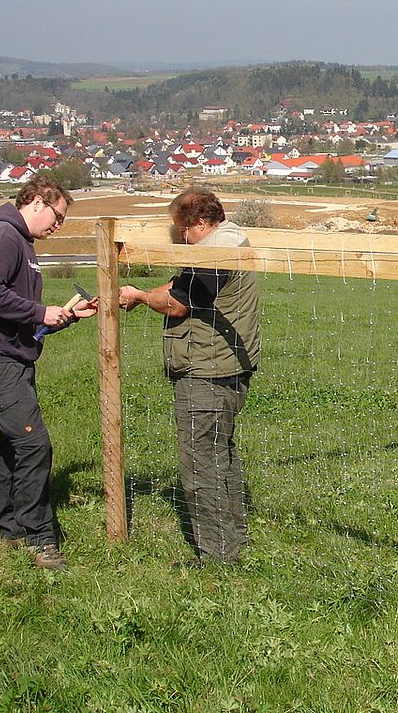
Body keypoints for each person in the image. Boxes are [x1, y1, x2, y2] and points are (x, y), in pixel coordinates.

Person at [0, 174, 97, 570]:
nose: (58, 226)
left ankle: (10, 529)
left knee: (13, 445)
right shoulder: (3, 236)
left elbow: (17, 314)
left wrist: (65, 316)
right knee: (34, 445)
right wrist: (40, 311)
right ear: (36, 201)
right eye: (57, 217)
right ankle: (41, 538)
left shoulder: (22, 242)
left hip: (12, 358)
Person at [118, 189, 260, 566]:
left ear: (200, 222)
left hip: (207, 371)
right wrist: (144, 292)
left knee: (201, 463)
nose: (182, 237)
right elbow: (181, 285)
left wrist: (142, 297)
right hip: (225, 365)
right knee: (221, 455)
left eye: (184, 229)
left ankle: (216, 555)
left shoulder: (215, 254)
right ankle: (233, 541)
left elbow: (179, 303)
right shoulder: (227, 240)